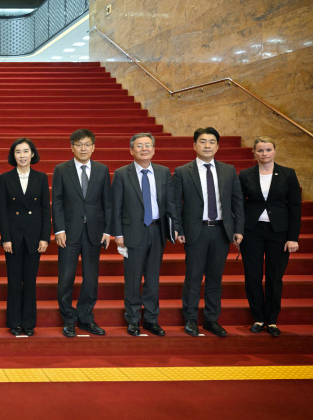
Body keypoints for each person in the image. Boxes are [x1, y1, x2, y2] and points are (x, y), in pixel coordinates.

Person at [169, 127, 244, 337]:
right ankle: (191, 319)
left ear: (218, 146)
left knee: (214, 278)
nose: (207, 145)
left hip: (221, 231)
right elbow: (175, 205)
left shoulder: (229, 170)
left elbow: (237, 202)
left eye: (212, 142)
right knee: (193, 277)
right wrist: (178, 228)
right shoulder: (183, 171)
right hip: (196, 232)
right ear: (194, 145)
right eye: (203, 141)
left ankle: (211, 319)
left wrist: (238, 229)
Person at [238, 136, 301, 337]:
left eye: (268, 150)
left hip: (279, 233)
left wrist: (293, 237)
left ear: (275, 151)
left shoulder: (288, 174)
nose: (264, 154)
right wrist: (238, 231)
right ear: (254, 153)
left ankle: (272, 320)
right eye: (260, 150)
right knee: (253, 276)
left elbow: (295, 207)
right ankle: (258, 318)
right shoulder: (245, 175)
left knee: (275, 277)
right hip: (252, 232)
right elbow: (238, 206)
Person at [52, 128, 111, 337]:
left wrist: (107, 230)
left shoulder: (102, 170)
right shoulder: (61, 169)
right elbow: (57, 201)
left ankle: (86, 318)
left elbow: (107, 203)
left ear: (93, 147)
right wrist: (58, 229)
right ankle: (68, 318)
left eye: (87, 144)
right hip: (69, 232)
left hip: (94, 232)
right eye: (79, 145)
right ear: (72, 147)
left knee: (91, 278)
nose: (83, 148)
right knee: (66, 277)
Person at [111, 133, 172, 337]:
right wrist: (117, 233)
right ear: (131, 150)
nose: (144, 149)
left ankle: (151, 320)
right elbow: (116, 206)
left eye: (148, 145)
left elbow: (170, 204)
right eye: (139, 146)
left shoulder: (164, 172)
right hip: (132, 233)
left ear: (154, 150)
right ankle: (133, 319)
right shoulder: (121, 173)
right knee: (133, 278)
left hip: (157, 230)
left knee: (153, 279)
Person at [0, 138, 50, 336]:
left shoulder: (41, 177)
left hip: (34, 237)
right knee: (13, 280)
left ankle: (29, 322)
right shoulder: (5, 178)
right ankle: (14, 322)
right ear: (13, 155)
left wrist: (45, 238)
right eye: (18, 152)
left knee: (30, 281)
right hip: (13, 237)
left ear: (33, 154)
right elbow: (2, 211)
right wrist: (6, 238)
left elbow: (46, 210)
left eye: (26, 151)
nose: (22, 155)